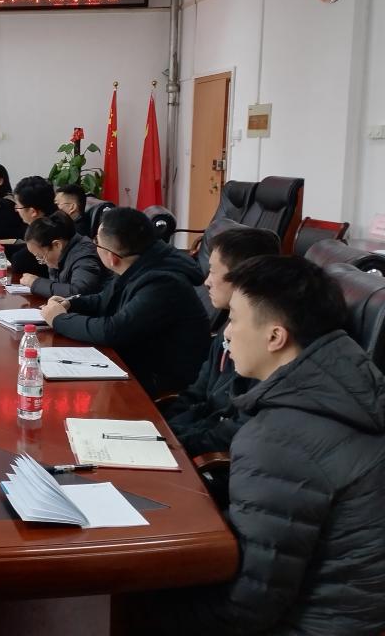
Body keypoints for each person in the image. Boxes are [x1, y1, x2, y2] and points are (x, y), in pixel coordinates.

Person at [143, 256, 385, 635]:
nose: (226, 333)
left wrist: (140, 603)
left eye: (235, 319)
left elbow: (247, 606)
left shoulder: (279, 438)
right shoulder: (354, 383)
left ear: (275, 337)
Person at [40, 207, 209, 398]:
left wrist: (59, 320)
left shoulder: (163, 283)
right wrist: (70, 304)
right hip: (134, 361)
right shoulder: (140, 261)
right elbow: (104, 299)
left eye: (97, 242)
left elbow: (113, 331)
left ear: (112, 258)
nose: (94, 246)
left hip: (158, 379)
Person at [162, 227, 281, 463]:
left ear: (242, 278)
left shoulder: (261, 348)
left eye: (213, 272)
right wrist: (164, 429)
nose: (206, 281)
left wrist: (174, 444)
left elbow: (231, 428)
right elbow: (197, 394)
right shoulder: (227, 327)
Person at [19, 212, 109, 298]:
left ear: (57, 245)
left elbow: (79, 293)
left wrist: (37, 284)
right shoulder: (62, 254)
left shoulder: (85, 257)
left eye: (41, 257)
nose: (43, 262)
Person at [8, 176, 58, 278]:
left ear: (33, 211)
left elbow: (19, 262)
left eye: (18, 206)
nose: (16, 210)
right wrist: (1, 248)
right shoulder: (55, 219)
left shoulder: (48, 232)